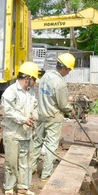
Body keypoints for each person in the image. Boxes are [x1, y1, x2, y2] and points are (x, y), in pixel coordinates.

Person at [32, 52, 75, 181]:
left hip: (41, 115)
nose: (68, 72)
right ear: (64, 68)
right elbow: (63, 105)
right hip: (53, 118)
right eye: (69, 70)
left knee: (37, 143)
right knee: (51, 146)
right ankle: (45, 174)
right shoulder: (60, 83)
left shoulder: (45, 76)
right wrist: (70, 108)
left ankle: (31, 168)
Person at [1, 61, 40, 195]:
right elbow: (8, 111)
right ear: (27, 79)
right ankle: (9, 186)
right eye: (34, 79)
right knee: (11, 161)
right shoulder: (10, 92)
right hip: (12, 133)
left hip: (26, 133)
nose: (35, 82)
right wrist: (24, 119)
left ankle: (23, 187)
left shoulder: (30, 93)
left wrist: (35, 115)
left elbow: (35, 106)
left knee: (25, 162)